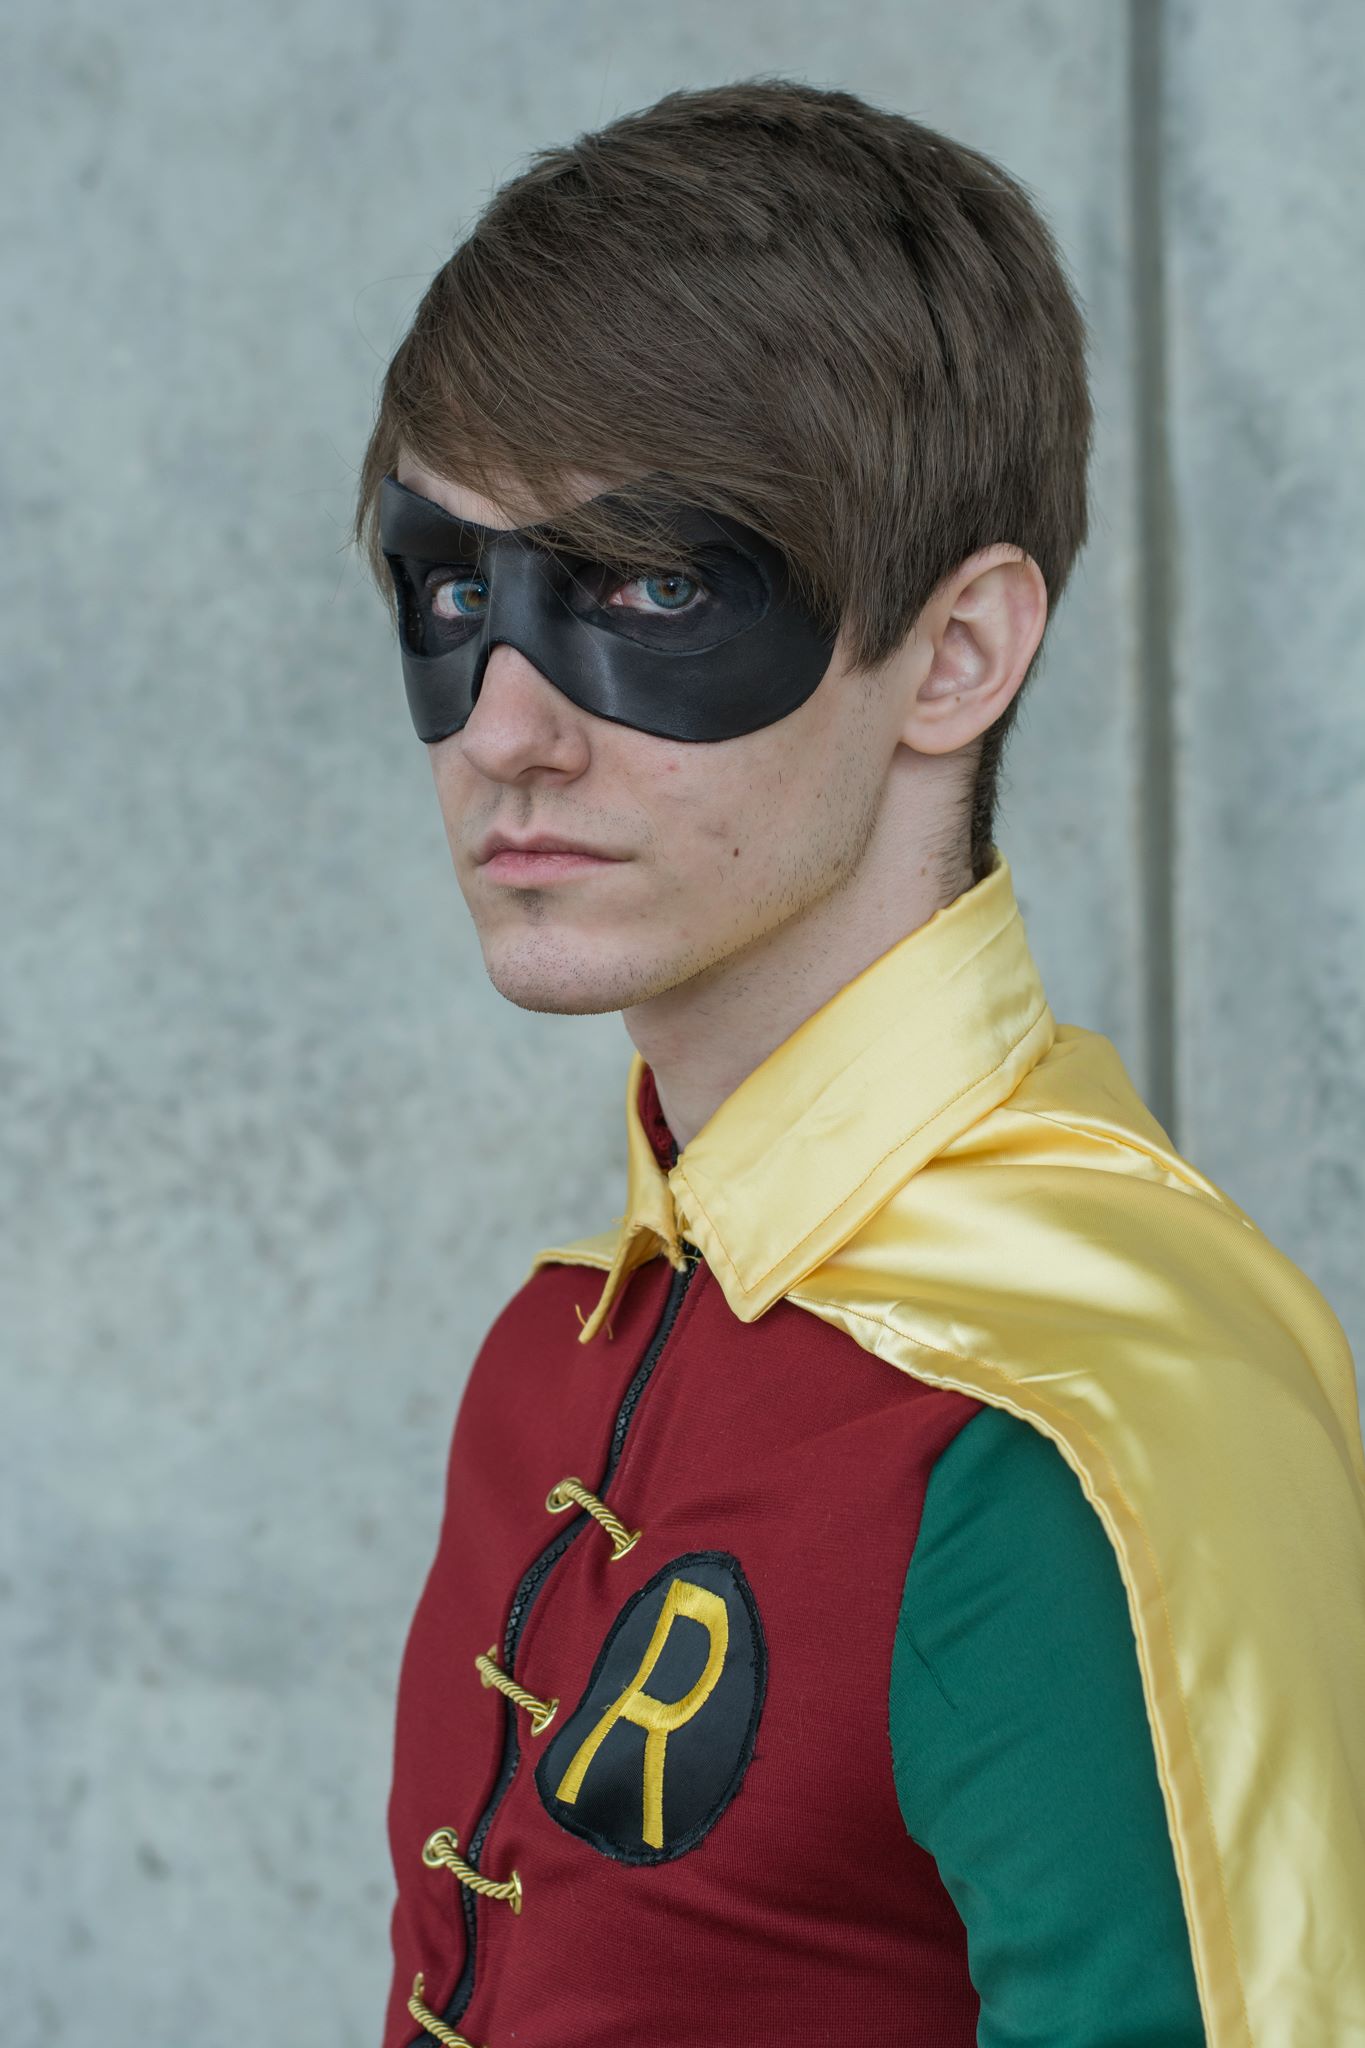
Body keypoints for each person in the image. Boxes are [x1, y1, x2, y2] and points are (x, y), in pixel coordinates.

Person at [351, 77, 1365, 2048]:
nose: (504, 732)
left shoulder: (1064, 1421)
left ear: (957, 652)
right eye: (454, 592)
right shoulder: (553, 1354)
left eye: (649, 585)